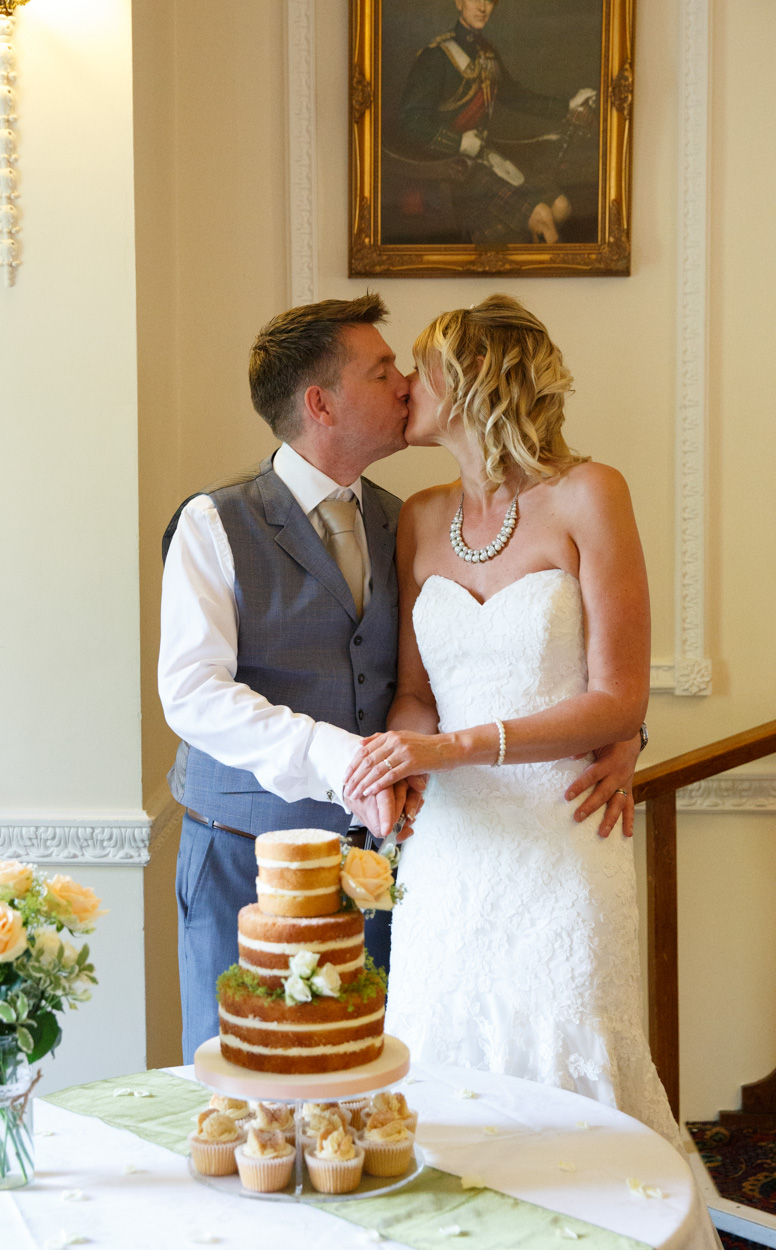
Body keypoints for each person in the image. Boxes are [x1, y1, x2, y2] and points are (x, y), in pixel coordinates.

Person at [158, 294, 641, 1065]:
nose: (405, 385)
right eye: (383, 371)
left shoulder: (402, 518)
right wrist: (350, 760)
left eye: (408, 368)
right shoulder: (215, 524)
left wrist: (624, 728)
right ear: (322, 404)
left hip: (399, 854)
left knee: (382, 1078)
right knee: (245, 1077)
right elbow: (193, 693)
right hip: (246, 854)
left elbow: (524, 666)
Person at [344, 294, 679, 1147]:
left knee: (568, 1056)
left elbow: (620, 698)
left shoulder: (591, 494)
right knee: (442, 1057)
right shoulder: (419, 517)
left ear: (473, 381)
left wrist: (453, 746)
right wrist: (405, 755)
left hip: (565, 828)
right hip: (450, 844)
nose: (404, 383)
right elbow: (416, 692)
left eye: (420, 368)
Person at [396, 0, 596, 245]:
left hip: (484, 157)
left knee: (561, 207)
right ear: (459, 2)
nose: (482, 7)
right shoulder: (436, 57)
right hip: (451, 170)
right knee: (542, 215)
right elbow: (410, 121)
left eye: (489, 0)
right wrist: (459, 143)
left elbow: (516, 97)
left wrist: (567, 106)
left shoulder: (487, 53)